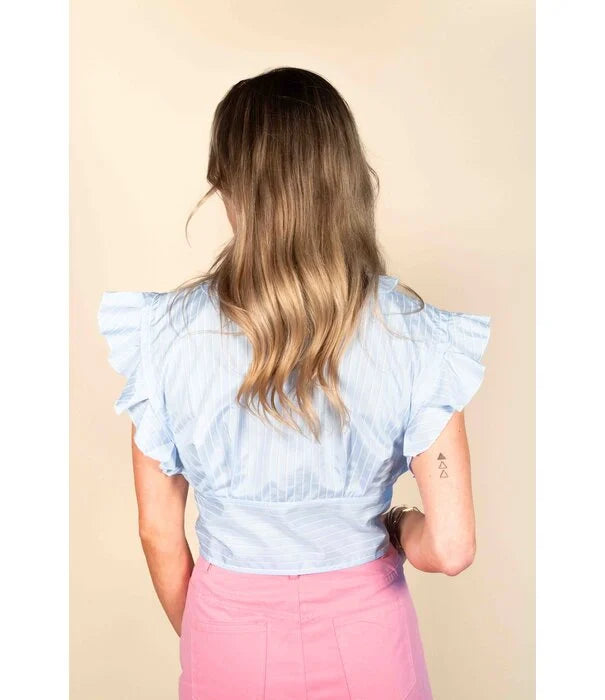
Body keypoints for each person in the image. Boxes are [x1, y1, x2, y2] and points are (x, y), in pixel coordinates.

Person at [97, 66, 491, 700]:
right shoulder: (420, 338)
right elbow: (450, 547)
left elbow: (158, 532)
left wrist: (210, 637)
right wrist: (396, 525)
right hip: (370, 640)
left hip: (226, 634)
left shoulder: (161, 336)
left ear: (227, 185)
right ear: (347, 181)